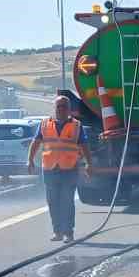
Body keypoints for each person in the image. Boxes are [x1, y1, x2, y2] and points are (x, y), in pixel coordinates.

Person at [26, 95, 93, 242]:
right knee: (53, 201)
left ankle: (68, 232)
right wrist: (30, 160)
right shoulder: (44, 124)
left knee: (67, 200)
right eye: (59, 106)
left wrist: (89, 163)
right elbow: (36, 142)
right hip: (50, 169)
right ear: (54, 108)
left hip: (69, 168)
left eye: (64, 107)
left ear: (69, 109)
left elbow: (84, 146)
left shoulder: (76, 126)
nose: (61, 109)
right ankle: (57, 232)